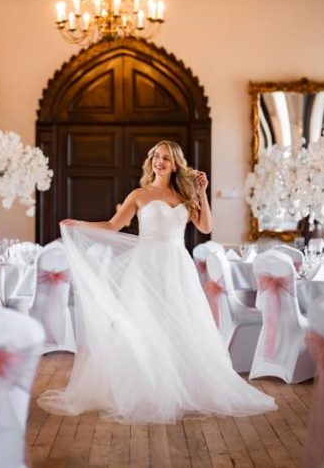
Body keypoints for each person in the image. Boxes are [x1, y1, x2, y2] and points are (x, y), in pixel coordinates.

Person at [37, 141, 275, 423]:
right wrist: (80, 224)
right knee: (145, 323)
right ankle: (147, 390)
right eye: (156, 157)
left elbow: (206, 227)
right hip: (146, 266)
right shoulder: (139, 194)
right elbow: (114, 225)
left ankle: (182, 388)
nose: (159, 162)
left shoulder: (184, 194)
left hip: (177, 267)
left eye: (166, 158)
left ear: (175, 164)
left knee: (180, 323)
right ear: (151, 161)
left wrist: (202, 191)